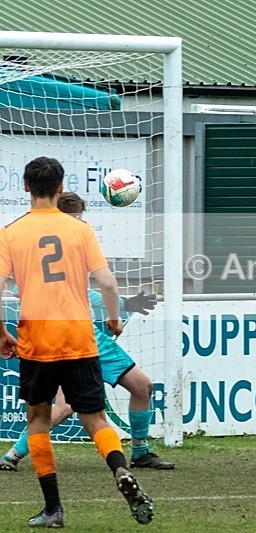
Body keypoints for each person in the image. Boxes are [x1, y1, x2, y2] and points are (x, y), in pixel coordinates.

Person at [0, 157, 153, 527]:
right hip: (80, 336)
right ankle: (121, 470)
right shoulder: (78, 230)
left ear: (24, 187)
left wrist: (2, 334)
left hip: (37, 337)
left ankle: (53, 508)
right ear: (59, 187)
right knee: (96, 417)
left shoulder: (10, 233)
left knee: (38, 419)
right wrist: (115, 320)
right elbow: (108, 283)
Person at [0, 192, 174, 473]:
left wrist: (122, 305)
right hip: (77, 337)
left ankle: (140, 452)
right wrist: (120, 310)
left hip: (79, 336)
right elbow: (100, 286)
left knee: (141, 386)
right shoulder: (75, 238)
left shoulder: (35, 239)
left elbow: (86, 291)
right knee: (64, 407)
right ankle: (13, 454)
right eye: (78, 218)